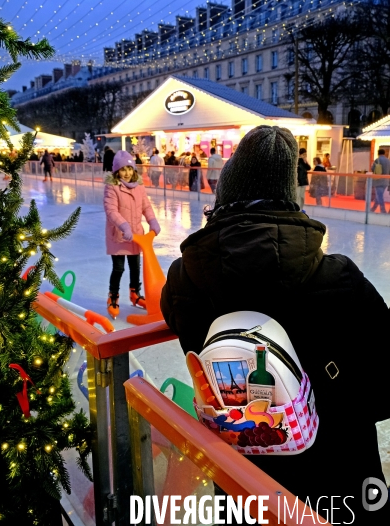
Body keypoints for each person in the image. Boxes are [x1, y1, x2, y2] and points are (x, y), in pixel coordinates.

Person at [161, 125, 390, 525]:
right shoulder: (340, 280)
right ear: (291, 199)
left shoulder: (184, 279)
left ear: (224, 195)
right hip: (336, 487)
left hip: (241, 481)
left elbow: (174, 319)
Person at [103, 150, 161, 318]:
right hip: (119, 236)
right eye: (123, 169)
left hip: (137, 235)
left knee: (136, 267)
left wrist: (153, 221)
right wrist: (124, 226)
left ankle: (135, 293)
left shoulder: (139, 186)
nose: (127, 173)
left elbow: (146, 207)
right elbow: (111, 210)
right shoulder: (112, 187)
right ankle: (113, 296)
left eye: (129, 168)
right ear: (116, 171)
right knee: (119, 268)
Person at [371, 149, 390, 214]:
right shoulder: (388, 161)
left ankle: (383, 210)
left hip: (378, 180)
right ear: (384, 153)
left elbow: (373, 169)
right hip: (386, 181)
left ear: (378, 153)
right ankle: (373, 209)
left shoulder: (377, 160)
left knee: (379, 196)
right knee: (378, 195)